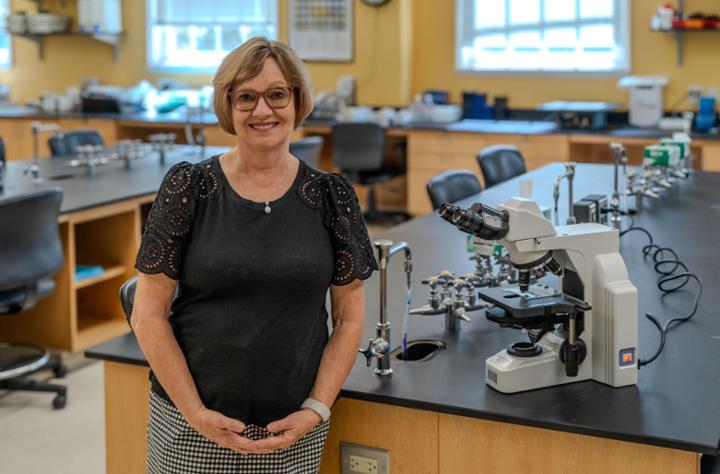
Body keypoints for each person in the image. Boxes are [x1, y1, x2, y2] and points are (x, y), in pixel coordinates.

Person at [131, 37, 378, 473]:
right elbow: (147, 312)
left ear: (297, 100)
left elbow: (349, 317)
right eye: (245, 97)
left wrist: (316, 409)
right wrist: (194, 413)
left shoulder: (330, 196)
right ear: (228, 106)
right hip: (194, 423)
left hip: (292, 428)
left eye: (277, 94)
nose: (262, 111)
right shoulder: (189, 188)